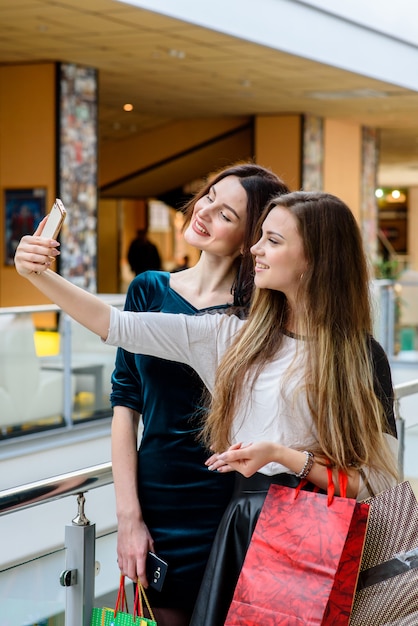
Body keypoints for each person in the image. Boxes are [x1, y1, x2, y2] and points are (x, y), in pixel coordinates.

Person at [15, 190, 399, 625]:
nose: (254, 248)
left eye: (272, 241)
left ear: (315, 259)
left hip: (318, 533)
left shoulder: (361, 357)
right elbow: (115, 324)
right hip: (240, 528)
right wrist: (37, 274)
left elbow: (377, 480)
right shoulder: (232, 337)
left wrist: (283, 456)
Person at [110, 163, 289, 626]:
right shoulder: (149, 289)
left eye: (226, 214)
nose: (205, 211)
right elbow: (125, 404)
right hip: (159, 502)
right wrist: (128, 516)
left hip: (234, 500)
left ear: (252, 237)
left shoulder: (261, 315)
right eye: (209, 196)